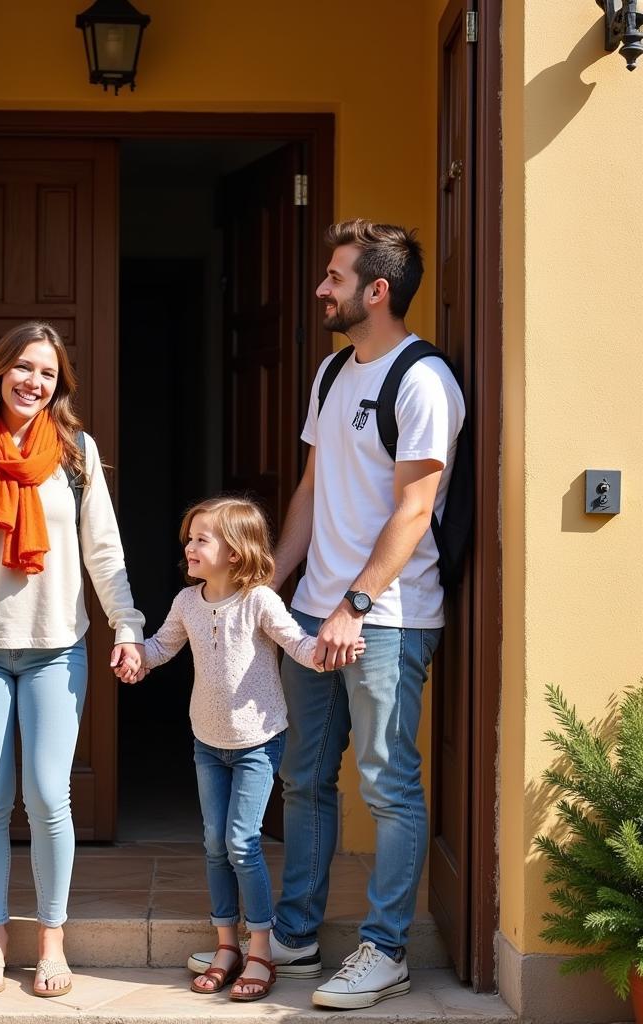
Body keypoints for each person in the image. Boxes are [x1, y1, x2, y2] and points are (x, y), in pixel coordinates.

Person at [188, 220, 465, 1009]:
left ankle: (385, 950)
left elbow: (415, 508)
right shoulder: (332, 371)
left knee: (386, 783)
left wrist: (356, 602)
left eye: (335, 278)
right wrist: (268, 586)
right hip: (313, 614)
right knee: (303, 778)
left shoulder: (423, 382)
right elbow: (312, 492)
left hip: (387, 616)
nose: (321, 289)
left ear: (376, 291)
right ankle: (300, 933)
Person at [0, 321, 145, 999]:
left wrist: (125, 625)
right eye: (23, 368)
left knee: (47, 795)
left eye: (47, 373)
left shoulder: (76, 453)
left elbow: (103, 551)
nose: (34, 382)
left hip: (55, 649)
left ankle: (51, 940)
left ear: (58, 383)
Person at [118, 496, 365, 1002]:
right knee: (213, 843)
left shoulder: (259, 600)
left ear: (234, 552)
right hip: (207, 741)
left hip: (257, 741)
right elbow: (164, 645)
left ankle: (260, 950)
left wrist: (324, 656)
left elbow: (296, 644)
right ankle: (225, 944)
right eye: (189, 537)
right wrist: (138, 656)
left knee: (241, 842)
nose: (188, 546)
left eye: (201, 539)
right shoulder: (187, 602)